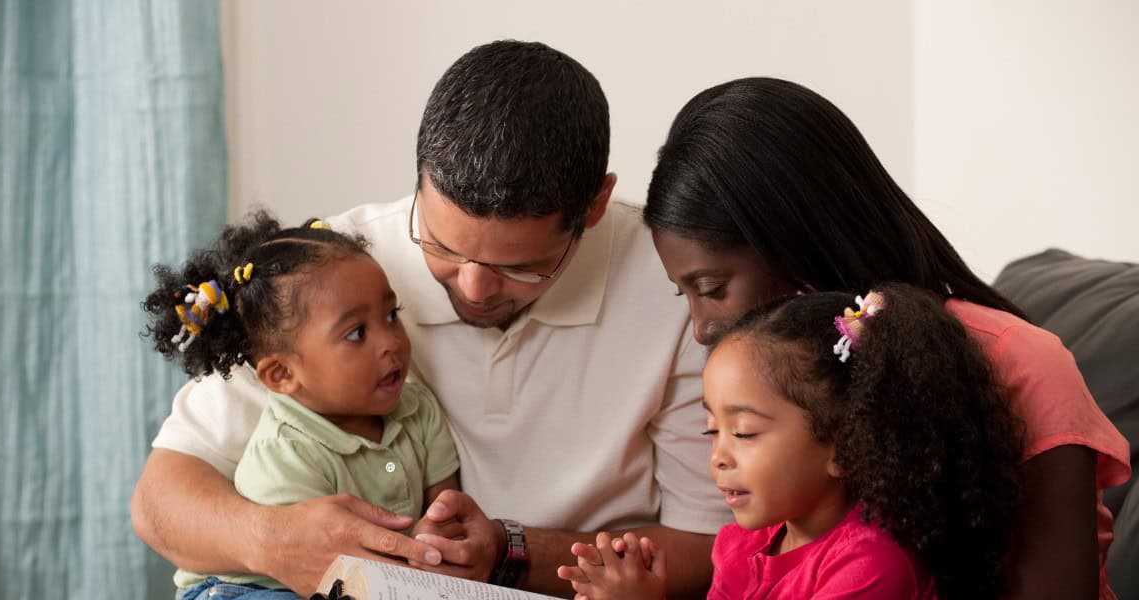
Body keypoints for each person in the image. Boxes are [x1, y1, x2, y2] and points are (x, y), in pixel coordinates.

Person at [131, 40, 728, 598]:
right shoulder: (338, 271)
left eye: (520, 267)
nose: (473, 288)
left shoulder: (673, 285)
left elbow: (712, 548)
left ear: (595, 205)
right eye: (442, 246)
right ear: (418, 181)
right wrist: (276, 541)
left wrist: (509, 551)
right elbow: (161, 501)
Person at [642, 76, 1131, 598]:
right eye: (684, 295)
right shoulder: (792, 393)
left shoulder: (1018, 360)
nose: (701, 328)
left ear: (792, 239)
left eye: (712, 288)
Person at [559, 285, 1025, 599]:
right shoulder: (744, 544)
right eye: (712, 430)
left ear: (843, 446)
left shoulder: (872, 565)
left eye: (743, 433)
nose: (719, 457)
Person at [140, 212, 460, 598]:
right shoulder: (286, 451)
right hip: (248, 589)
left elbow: (446, 507)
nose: (390, 341)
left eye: (392, 315)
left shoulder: (418, 409)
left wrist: (438, 533)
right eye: (357, 332)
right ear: (281, 376)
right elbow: (314, 567)